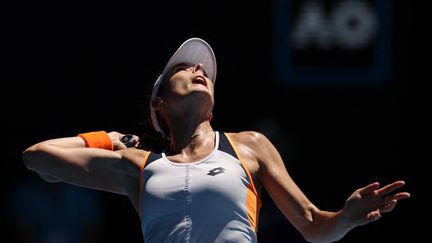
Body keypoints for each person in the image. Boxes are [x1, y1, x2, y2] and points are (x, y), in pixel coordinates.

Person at [22, 37, 410, 243]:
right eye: (183, 68)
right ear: (160, 103)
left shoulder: (249, 145)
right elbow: (37, 156)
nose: (197, 69)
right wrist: (107, 139)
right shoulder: (137, 166)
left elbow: (312, 224)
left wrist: (345, 219)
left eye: (203, 69)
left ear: (212, 108)